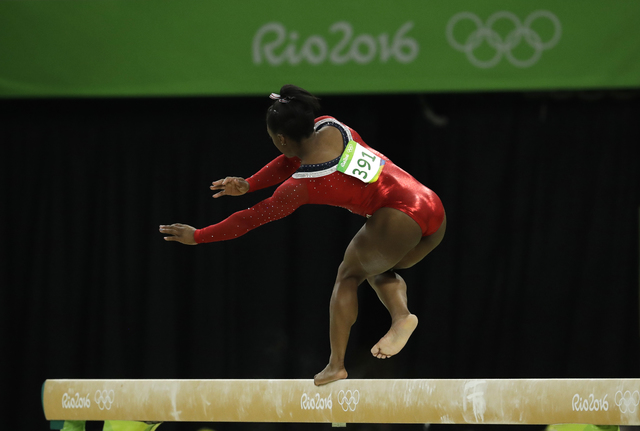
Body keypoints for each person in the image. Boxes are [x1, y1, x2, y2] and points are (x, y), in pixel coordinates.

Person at [159, 85, 446, 386]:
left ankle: (337, 365)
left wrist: (199, 236)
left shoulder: (301, 185)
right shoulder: (331, 125)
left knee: (348, 275)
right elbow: (292, 158)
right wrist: (249, 184)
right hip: (431, 207)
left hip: (398, 217)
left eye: (273, 138)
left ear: (281, 138)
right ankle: (401, 316)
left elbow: (250, 218)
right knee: (377, 268)